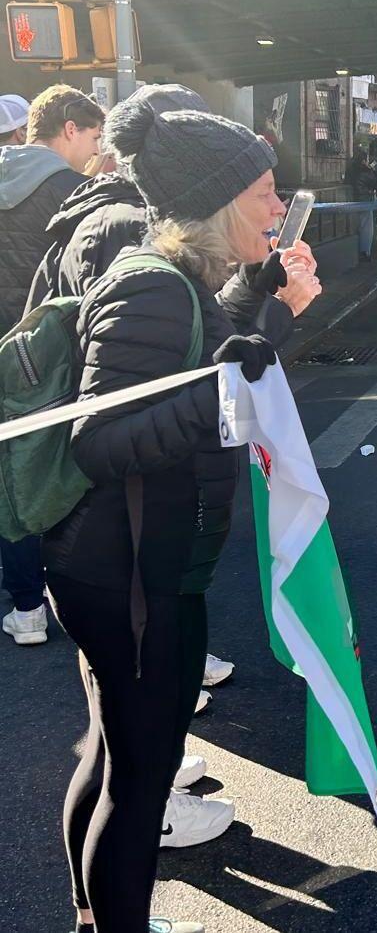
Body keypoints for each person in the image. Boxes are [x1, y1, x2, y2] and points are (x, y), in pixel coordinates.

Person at [42, 96, 284, 933]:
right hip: (130, 578)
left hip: (131, 568)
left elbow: (193, 357)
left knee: (114, 755)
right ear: (219, 201)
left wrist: (252, 306)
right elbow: (97, 441)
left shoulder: (181, 281)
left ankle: (91, 916)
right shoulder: (151, 286)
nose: (279, 206)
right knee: (142, 778)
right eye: (263, 192)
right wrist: (219, 393)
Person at [0, 85, 103, 648]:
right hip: (50, 354)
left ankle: (27, 607)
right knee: (66, 472)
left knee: (10, 478)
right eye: (91, 136)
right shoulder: (76, 192)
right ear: (69, 128)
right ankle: (82, 603)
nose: (93, 149)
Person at [344, 149, 377, 262]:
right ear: (364, 160)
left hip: (351, 201)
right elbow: (375, 184)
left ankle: (354, 251)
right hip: (364, 201)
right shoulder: (366, 171)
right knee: (367, 227)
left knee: (354, 226)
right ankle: (365, 251)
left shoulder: (350, 170)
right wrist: (371, 169)